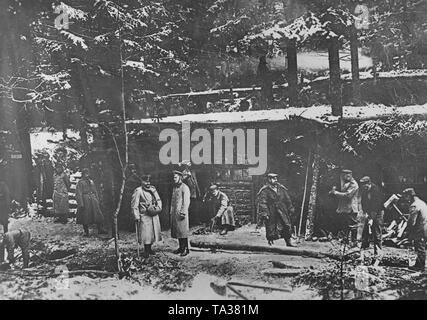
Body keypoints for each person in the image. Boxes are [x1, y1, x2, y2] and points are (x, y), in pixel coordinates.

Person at [257, 173, 296, 247]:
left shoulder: (281, 188)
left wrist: (290, 208)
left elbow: (287, 199)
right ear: (269, 179)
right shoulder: (265, 190)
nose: (275, 180)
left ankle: (288, 241)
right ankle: (270, 242)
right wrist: (265, 213)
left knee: (286, 224)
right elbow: (263, 202)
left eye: (276, 178)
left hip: (282, 210)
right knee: (271, 226)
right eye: (273, 178)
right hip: (271, 211)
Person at [131, 174, 162, 258]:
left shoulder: (152, 189)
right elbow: (134, 205)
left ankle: (150, 249)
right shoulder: (138, 191)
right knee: (146, 234)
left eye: (148, 181)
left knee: (152, 233)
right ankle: (146, 250)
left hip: (153, 214)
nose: (147, 183)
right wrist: (136, 216)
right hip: (144, 215)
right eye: (145, 181)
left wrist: (157, 207)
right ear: (141, 181)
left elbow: (158, 199)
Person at [330, 169, 361, 245]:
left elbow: (348, 195)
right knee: (345, 225)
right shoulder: (346, 183)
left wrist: (336, 193)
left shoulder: (353, 184)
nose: (346, 177)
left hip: (351, 208)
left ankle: (354, 242)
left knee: (353, 225)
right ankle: (345, 240)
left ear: (350, 175)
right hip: (345, 208)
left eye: (348, 175)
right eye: (344, 175)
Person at [76, 168, 107, 237]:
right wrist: (81, 203)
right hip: (85, 200)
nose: (86, 175)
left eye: (87, 173)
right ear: (82, 174)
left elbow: (95, 191)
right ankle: (86, 231)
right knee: (85, 216)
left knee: (98, 214)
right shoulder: (80, 182)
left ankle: (100, 229)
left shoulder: (91, 181)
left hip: (93, 200)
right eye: (85, 174)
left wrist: (97, 199)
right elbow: (79, 193)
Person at [402, 188, 427, 272]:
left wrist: (408, 231)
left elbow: (412, 222)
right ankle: (419, 263)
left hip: (419, 229)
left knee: (420, 247)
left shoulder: (414, 205)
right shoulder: (422, 203)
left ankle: (420, 266)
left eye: (406, 197)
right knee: (421, 246)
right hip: (424, 226)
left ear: (409, 196)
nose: (406, 199)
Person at [359, 176, 384, 256]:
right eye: (362, 186)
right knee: (365, 232)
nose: (364, 187)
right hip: (369, 212)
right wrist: (365, 213)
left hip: (378, 212)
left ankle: (378, 253)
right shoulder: (364, 191)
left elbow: (376, 206)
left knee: (376, 233)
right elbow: (363, 203)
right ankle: (363, 253)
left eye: (365, 185)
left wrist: (371, 218)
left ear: (369, 183)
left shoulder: (376, 190)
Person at [170, 170, 191, 257]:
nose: (174, 179)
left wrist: (183, 212)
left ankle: (186, 248)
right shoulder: (175, 188)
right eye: (173, 177)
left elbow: (186, 201)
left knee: (183, 231)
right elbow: (172, 200)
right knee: (178, 231)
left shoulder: (185, 187)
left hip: (182, 213)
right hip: (175, 212)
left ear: (180, 177)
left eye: (175, 177)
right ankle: (181, 247)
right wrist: (171, 210)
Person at [120, 163, 142, 231]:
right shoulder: (130, 178)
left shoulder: (134, 177)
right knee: (131, 212)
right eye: (132, 169)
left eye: (134, 169)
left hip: (135, 196)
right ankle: (132, 227)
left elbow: (140, 183)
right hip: (130, 196)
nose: (133, 171)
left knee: (135, 211)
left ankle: (135, 227)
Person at [180, 161, 201, 226]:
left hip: (194, 192)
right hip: (188, 192)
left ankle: (196, 221)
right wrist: (187, 176)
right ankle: (189, 222)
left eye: (190, 164)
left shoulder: (193, 171)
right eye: (187, 165)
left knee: (195, 207)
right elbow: (181, 180)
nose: (189, 165)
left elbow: (195, 182)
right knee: (188, 207)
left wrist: (198, 191)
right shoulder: (184, 172)